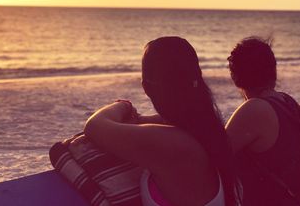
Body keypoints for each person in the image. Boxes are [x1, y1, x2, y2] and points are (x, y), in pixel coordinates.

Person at [73, 37, 239, 206]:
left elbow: (94, 126)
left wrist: (122, 106)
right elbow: (155, 123)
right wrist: (137, 121)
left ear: (145, 86)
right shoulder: (205, 127)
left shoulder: (174, 144)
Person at [225, 37, 300, 205]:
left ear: (235, 76)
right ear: (273, 71)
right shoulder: (287, 101)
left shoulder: (254, 110)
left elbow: (213, 155)